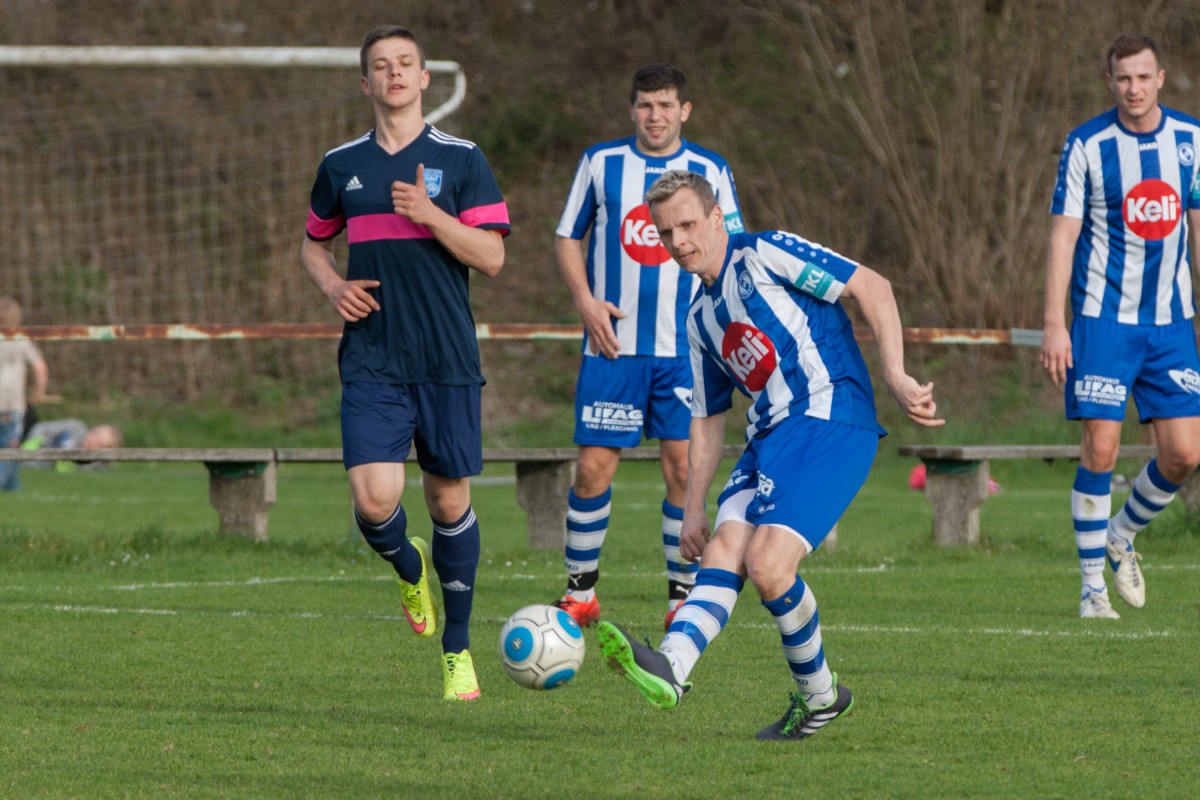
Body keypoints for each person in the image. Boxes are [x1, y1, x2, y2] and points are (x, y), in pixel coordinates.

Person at [595, 170, 943, 741]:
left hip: (829, 416)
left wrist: (895, 372)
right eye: (666, 232)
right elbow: (707, 418)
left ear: (716, 218)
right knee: (724, 549)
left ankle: (819, 696)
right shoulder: (699, 318)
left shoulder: (763, 253)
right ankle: (676, 667)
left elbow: (871, 285)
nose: (679, 240)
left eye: (687, 224)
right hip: (770, 436)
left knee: (767, 565)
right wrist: (692, 506)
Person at [300, 25, 509, 700]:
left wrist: (431, 215)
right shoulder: (341, 164)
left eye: (405, 64)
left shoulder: (462, 158)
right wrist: (333, 286)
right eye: (381, 66)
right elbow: (313, 244)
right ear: (366, 83)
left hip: (446, 357)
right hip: (372, 356)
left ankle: (457, 650)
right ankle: (408, 568)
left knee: (448, 501)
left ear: (424, 79)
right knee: (373, 500)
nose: (394, 73)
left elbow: (493, 256)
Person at [552, 64, 745, 630]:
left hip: (687, 350)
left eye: (665, 105)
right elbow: (567, 236)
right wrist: (586, 302)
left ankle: (680, 597)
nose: (654, 116)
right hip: (613, 346)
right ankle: (580, 593)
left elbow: (732, 244)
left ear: (685, 110)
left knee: (684, 470)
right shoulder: (601, 162)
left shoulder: (711, 169)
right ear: (632, 109)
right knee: (592, 470)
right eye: (644, 105)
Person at [1041, 34, 1200, 620]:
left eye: (1143, 77)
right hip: (1103, 320)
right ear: (1110, 83)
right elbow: (1062, 237)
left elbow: (1199, 229)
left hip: (1172, 325)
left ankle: (1121, 533)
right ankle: (1092, 591)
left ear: (1161, 78)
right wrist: (1053, 323)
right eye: (1123, 78)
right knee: (1101, 449)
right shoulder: (1086, 144)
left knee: (1185, 454)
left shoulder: (1192, 140)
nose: (1134, 88)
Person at [0, 297, 49, 491]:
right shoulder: (21, 339)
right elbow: (40, 368)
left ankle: (13, 488)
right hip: (13, 406)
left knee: (10, 447)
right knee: (10, 447)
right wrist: (39, 392)